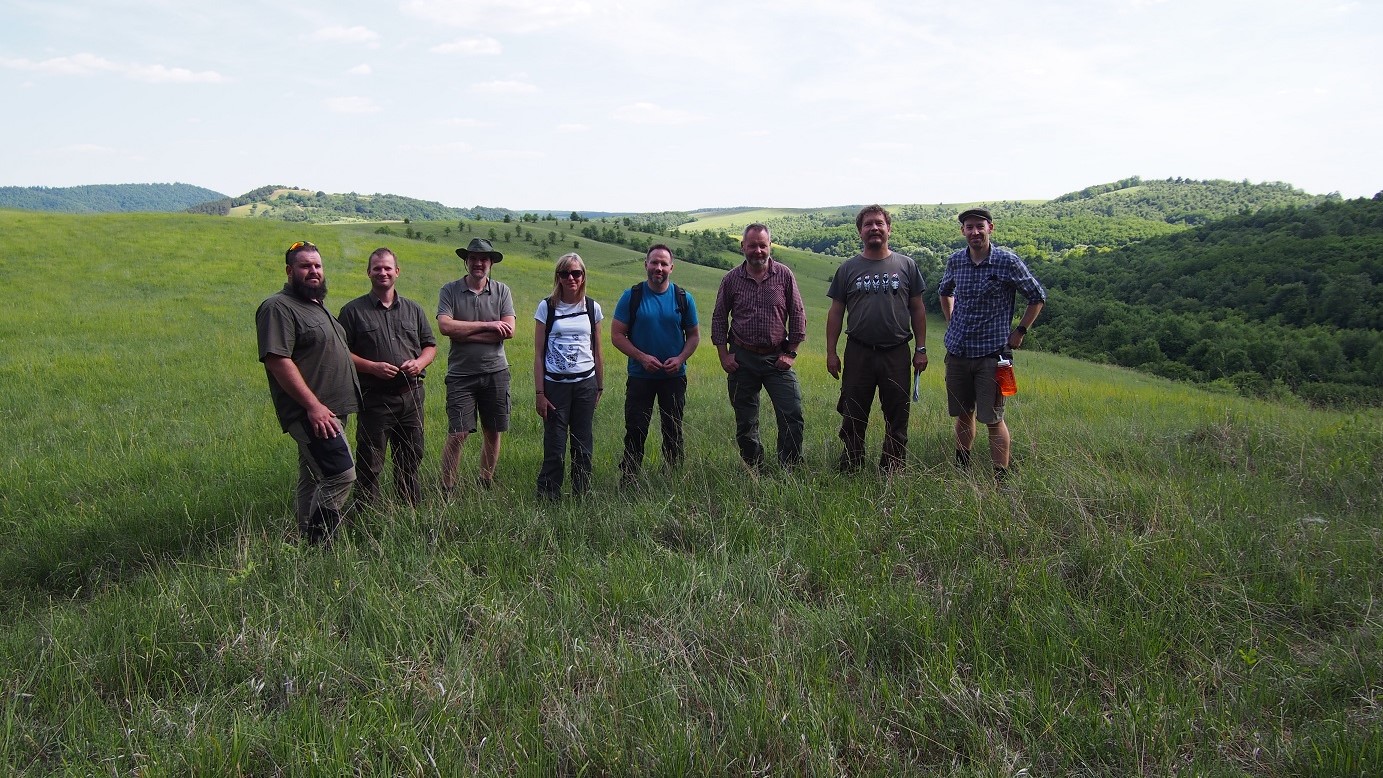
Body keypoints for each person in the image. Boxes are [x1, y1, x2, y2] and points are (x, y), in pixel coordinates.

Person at [256, 240, 361, 544]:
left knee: (313, 476)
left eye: (317, 265)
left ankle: (303, 538)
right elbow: (278, 360)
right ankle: (320, 543)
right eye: (305, 265)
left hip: (332, 410)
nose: (313, 271)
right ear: (289, 270)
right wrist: (313, 406)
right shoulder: (278, 307)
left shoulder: (315, 305)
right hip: (313, 413)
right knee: (341, 475)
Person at [938, 207, 1047, 481]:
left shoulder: (1007, 261)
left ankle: (1001, 478)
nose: (975, 232)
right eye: (969, 227)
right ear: (962, 231)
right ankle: (962, 466)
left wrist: (1020, 331)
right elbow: (944, 291)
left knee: (993, 418)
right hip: (958, 352)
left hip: (992, 355)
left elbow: (1037, 296)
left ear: (991, 228)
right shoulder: (956, 261)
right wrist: (952, 320)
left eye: (980, 226)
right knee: (963, 413)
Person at [825, 205, 929, 472]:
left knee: (897, 413)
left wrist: (921, 348)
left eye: (879, 223)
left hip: (896, 351)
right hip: (858, 351)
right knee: (853, 411)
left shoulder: (907, 266)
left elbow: (917, 308)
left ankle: (892, 468)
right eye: (868, 224)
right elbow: (836, 312)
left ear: (888, 228)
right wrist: (831, 352)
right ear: (860, 231)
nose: (874, 228)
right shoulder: (848, 269)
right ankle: (851, 463)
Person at [337, 247, 436, 507]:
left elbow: (430, 346)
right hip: (375, 400)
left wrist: (419, 362)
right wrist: (371, 367)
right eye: (377, 268)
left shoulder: (413, 310)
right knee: (371, 461)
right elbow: (341, 354)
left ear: (397, 272)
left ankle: (409, 510)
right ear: (368, 272)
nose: (383, 272)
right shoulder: (352, 312)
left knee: (411, 457)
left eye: (388, 268)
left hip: (411, 397)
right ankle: (368, 515)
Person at [711, 223, 807, 469]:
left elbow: (797, 313)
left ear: (770, 246)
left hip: (777, 358)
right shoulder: (731, 279)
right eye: (752, 245)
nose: (757, 251)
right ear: (743, 246)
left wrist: (791, 352)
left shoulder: (784, 275)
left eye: (762, 245)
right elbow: (719, 318)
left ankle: (789, 468)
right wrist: (724, 356)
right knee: (746, 421)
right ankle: (755, 468)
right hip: (742, 358)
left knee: (792, 414)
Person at [610, 244, 700, 484]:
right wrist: (642, 357)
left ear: (672, 267)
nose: (658, 268)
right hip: (640, 376)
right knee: (636, 430)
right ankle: (629, 479)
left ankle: (672, 478)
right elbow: (617, 335)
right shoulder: (632, 296)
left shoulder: (683, 298)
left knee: (673, 430)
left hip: (674, 377)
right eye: (654, 262)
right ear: (646, 265)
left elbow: (693, 336)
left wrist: (680, 359)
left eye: (663, 263)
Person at [437, 237, 515, 494]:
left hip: (496, 372)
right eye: (473, 258)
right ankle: (447, 487)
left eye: (483, 259)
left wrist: (464, 332)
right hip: (461, 375)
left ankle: (485, 482)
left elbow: (508, 331)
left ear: (491, 262)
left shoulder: (502, 291)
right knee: (458, 433)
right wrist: (488, 326)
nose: (478, 263)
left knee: (492, 431)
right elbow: (446, 327)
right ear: (466, 261)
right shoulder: (450, 290)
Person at [533, 253, 604, 499]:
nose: (571, 278)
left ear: (583, 276)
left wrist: (599, 386)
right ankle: (548, 497)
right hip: (555, 388)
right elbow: (538, 353)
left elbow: (597, 349)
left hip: (585, 384)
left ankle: (581, 496)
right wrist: (540, 393)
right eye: (565, 273)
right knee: (555, 445)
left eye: (576, 273)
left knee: (583, 445)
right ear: (558, 277)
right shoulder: (547, 307)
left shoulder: (592, 308)